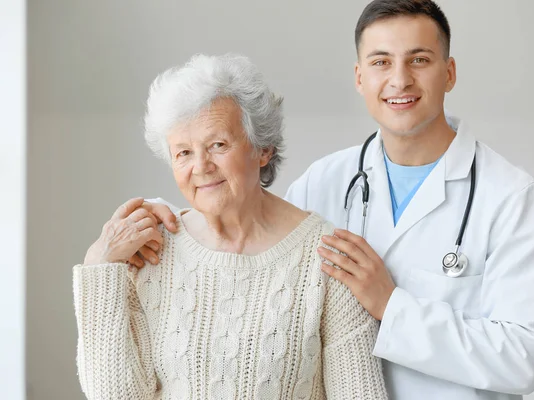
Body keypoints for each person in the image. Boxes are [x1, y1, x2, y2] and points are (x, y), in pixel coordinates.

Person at [126, 1, 534, 399]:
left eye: (420, 60)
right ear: (359, 77)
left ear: (448, 72)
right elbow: (249, 247)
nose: (399, 79)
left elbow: (524, 358)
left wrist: (391, 306)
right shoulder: (324, 184)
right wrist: (168, 218)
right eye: (381, 62)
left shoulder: (512, 198)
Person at [73, 53, 388, 400]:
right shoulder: (150, 253)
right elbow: (114, 396)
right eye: (183, 153)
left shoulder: (328, 257)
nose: (201, 166)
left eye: (217, 145)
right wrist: (98, 265)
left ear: (262, 150)